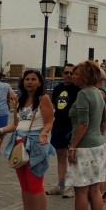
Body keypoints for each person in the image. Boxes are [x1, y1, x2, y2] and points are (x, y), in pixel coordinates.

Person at [0, 69, 54, 210]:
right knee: (25, 186)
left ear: (40, 82)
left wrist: (44, 133)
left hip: (35, 144)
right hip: (19, 144)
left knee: (36, 184)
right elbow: (16, 125)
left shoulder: (43, 99)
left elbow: (49, 121)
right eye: (27, 79)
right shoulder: (19, 99)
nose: (29, 82)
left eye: (33, 79)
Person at [57, 60, 106, 210]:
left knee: (81, 191)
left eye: (76, 74)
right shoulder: (98, 94)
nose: (72, 76)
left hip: (85, 147)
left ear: (84, 77)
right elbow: (101, 120)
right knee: (95, 190)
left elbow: (83, 123)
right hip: (98, 145)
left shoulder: (83, 95)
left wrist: (73, 146)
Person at [46, 63, 79, 198]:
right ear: (63, 74)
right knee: (60, 154)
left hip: (72, 125)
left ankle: (71, 186)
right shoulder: (58, 88)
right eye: (66, 73)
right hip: (59, 124)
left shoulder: (78, 90)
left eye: (72, 73)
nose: (69, 75)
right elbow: (55, 105)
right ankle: (61, 184)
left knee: (72, 157)